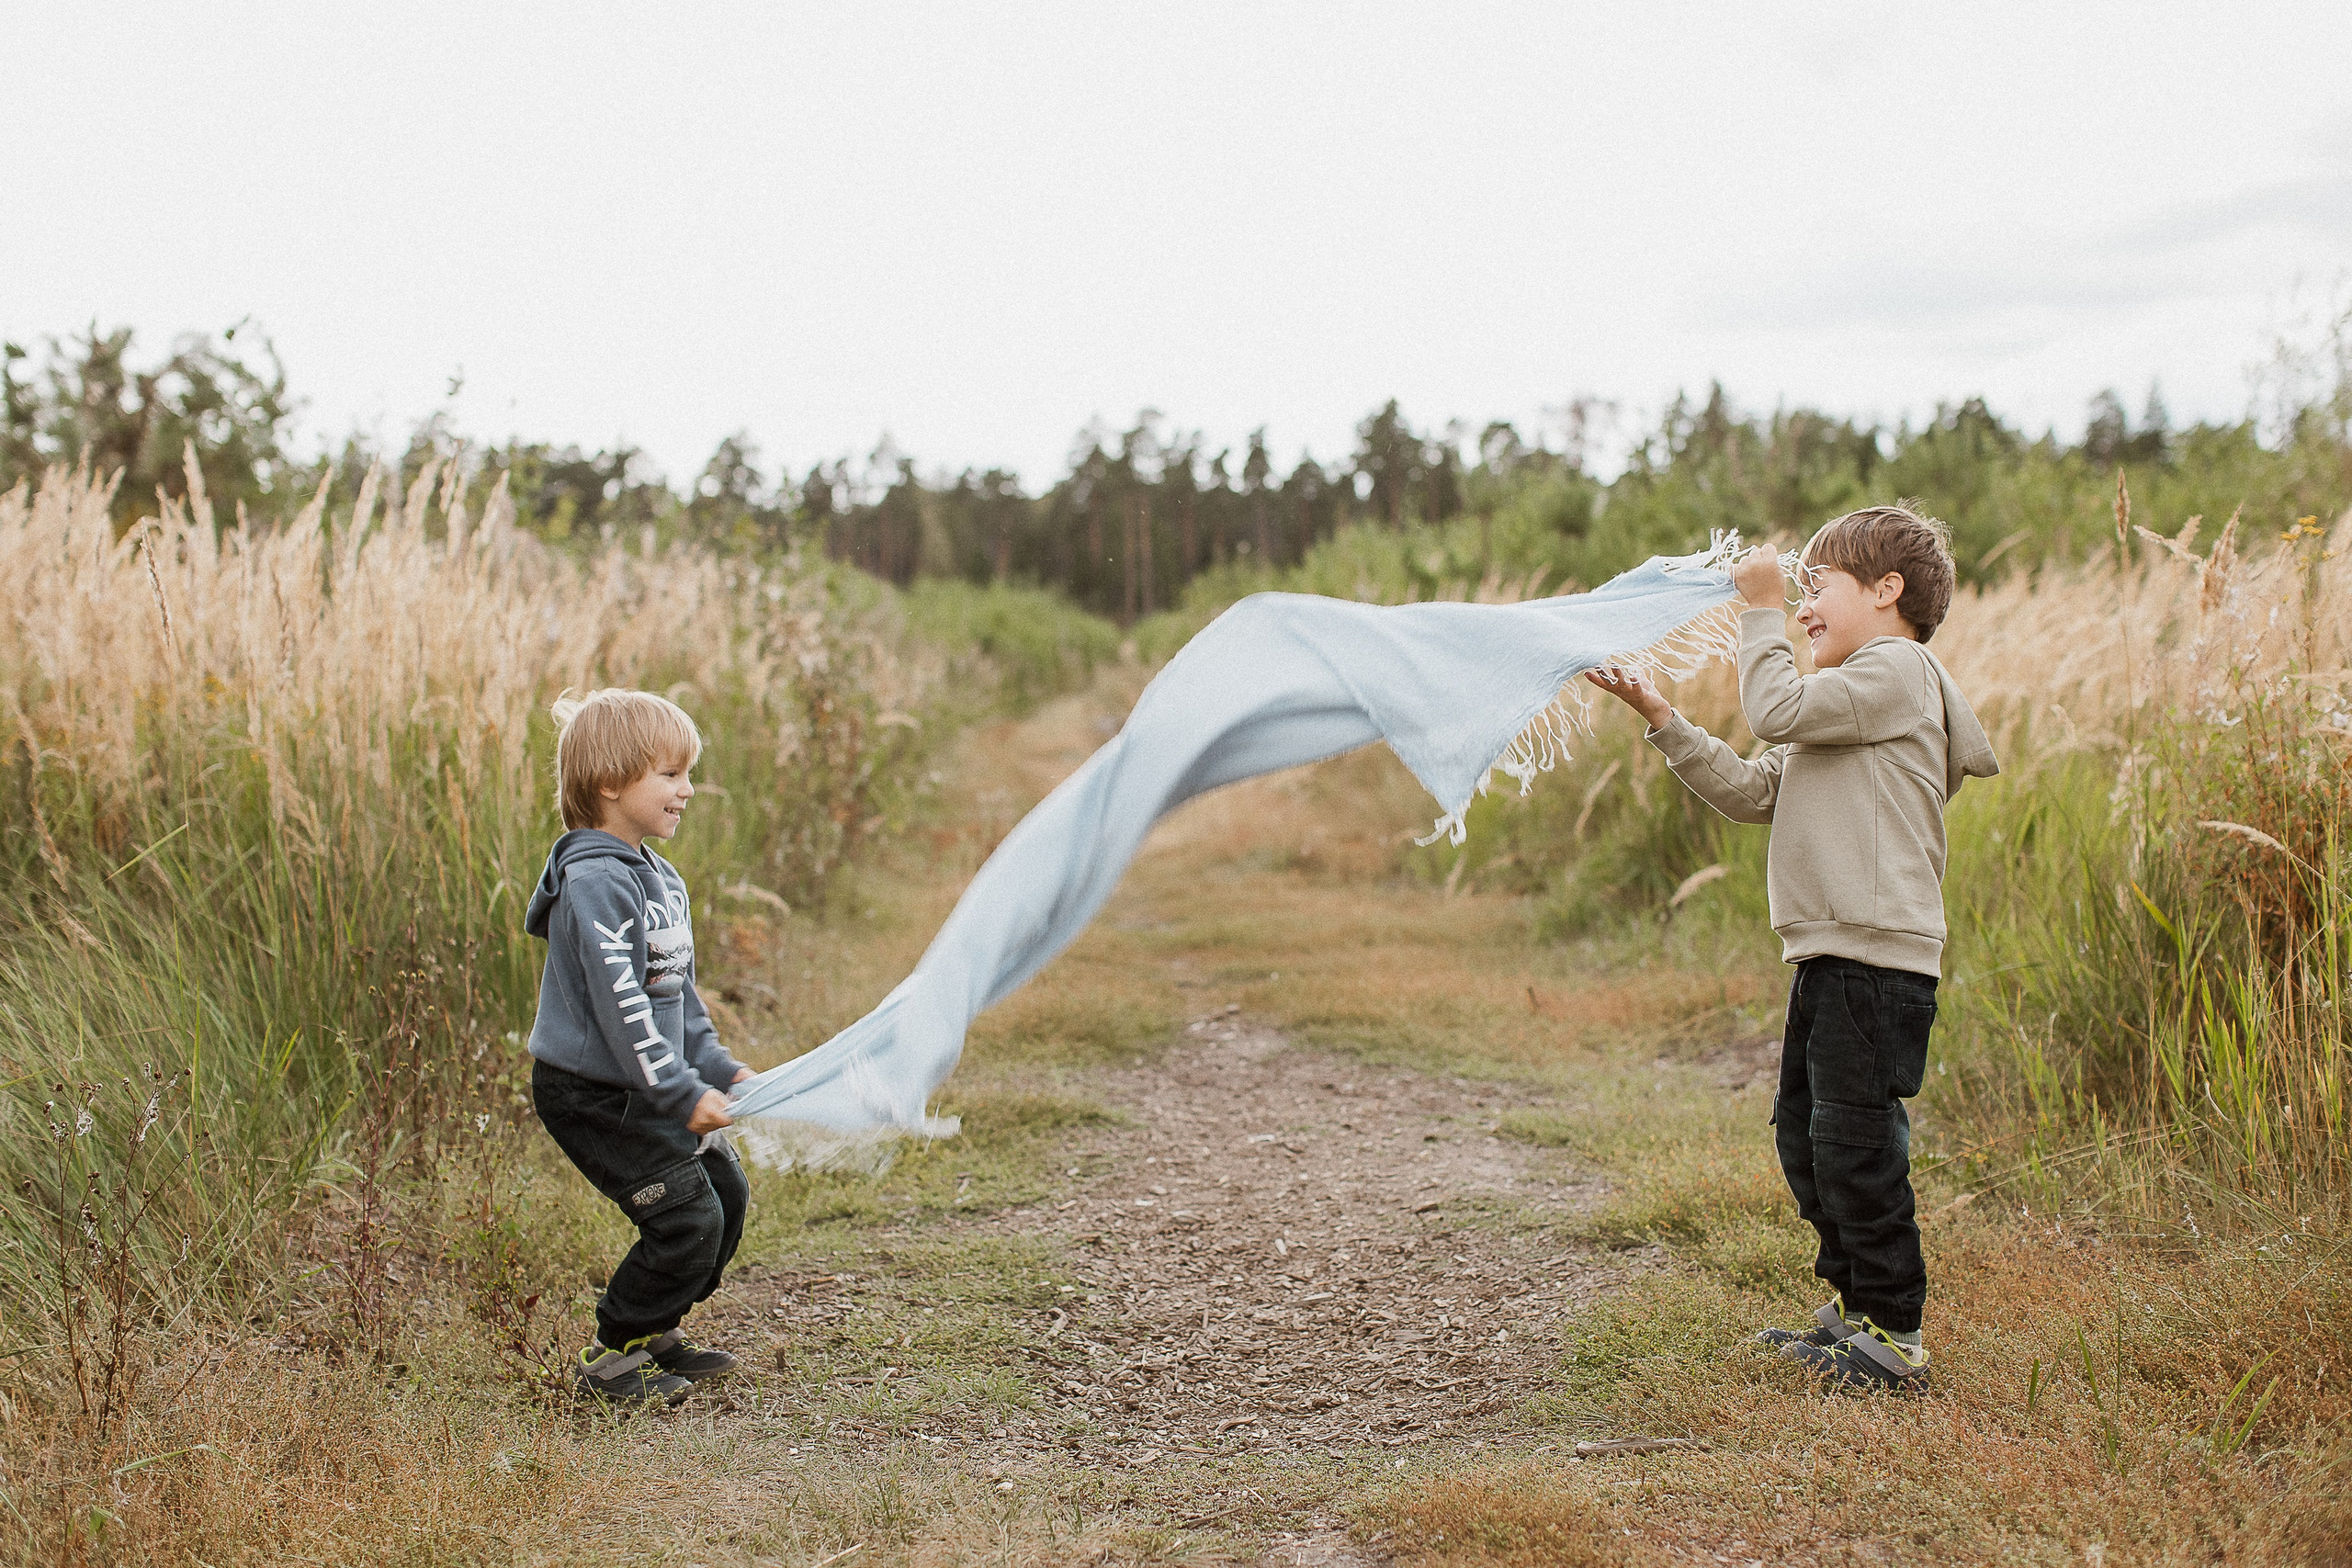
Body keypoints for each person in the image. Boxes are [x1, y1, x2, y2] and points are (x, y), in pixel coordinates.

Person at [1587, 505, 1998, 1393]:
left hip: (1877, 963)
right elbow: (1745, 789)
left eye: (1821, 587)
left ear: (1888, 593)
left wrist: (1760, 606)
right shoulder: (1846, 703)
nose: (1805, 604)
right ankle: (1855, 1311)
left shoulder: (1897, 672)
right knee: (1808, 1136)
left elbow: (1773, 706)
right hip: (1830, 957)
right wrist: (1661, 716)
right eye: (1800, 588)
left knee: (1856, 1144)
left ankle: (1894, 1336)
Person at [523, 688, 755, 1407]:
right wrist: (684, 1094)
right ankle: (611, 1357)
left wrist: (716, 1066)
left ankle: (656, 1330)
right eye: (670, 773)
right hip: (590, 1090)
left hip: (644, 1080)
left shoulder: (659, 877)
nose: (687, 789)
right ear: (609, 784)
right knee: (686, 1214)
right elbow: (624, 1012)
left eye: (688, 773)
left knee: (727, 1192)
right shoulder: (592, 885)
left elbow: (676, 995)